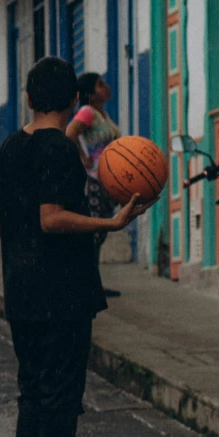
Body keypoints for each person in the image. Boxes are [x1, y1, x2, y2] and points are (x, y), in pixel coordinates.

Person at [0, 56, 147, 437]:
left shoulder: (14, 144)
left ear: (27, 98)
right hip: (63, 291)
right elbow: (53, 217)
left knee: (32, 391)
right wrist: (110, 222)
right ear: (73, 100)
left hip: (23, 290)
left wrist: (18, 242)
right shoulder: (60, 150)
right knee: (63, 395)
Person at [68, 71, 125, 297]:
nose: (107, 87)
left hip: (107, 180)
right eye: (101, 84)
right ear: (91, 95)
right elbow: (70, 133)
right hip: (94, 179)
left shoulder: (103, 115)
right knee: (93, 233)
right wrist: (83, 157)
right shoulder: (87, 112)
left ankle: (92, 283)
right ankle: (86, 284)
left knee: (99, 235)